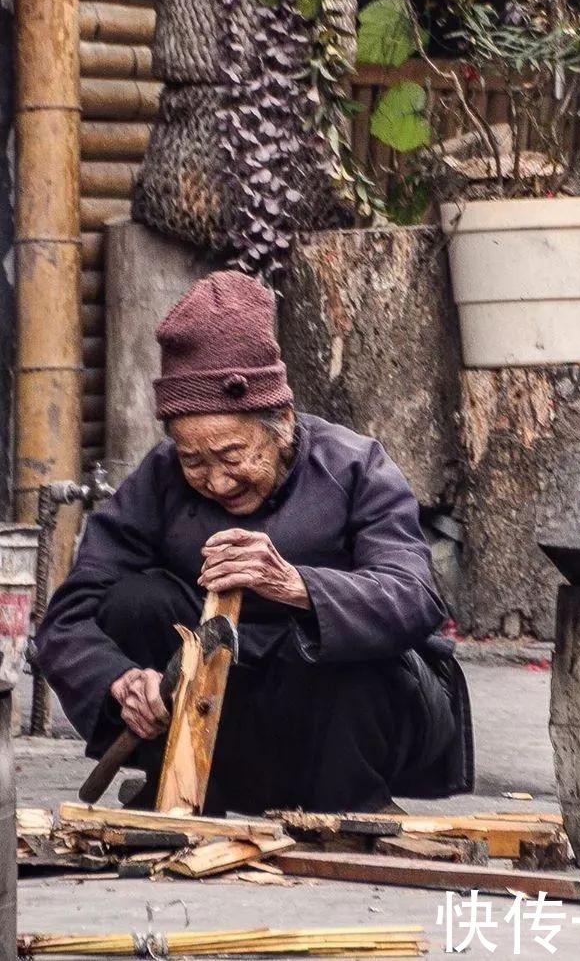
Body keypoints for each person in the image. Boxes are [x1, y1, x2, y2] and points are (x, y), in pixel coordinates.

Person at [36, 270, 472, 814]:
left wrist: (297, 585)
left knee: (364, 654)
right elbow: (70, 617)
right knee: (133, 603)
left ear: (282, 422)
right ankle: (187, 784)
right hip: (223, 712)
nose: (217, 481)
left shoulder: (355, 466)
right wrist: (118, 681)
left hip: (341, 721)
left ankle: (350, 804)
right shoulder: (159, 479)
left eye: (233, 456)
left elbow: (414, 599)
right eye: (194, 460)